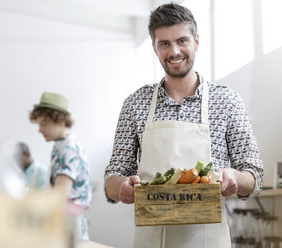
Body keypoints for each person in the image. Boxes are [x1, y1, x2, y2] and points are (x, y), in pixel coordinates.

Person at [104, 3, 263, 248]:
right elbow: (113, 175)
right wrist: (119, 187)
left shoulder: (227, 101)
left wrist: (234, 178)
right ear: (155, 48)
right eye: (164, 43)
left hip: (209, 239)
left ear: (196, 41)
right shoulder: (135, 103)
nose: (174, 51)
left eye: (182, 40)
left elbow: (254, 176)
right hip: (151, 240)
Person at [29, 91, 92, 240]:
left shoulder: (69, 151)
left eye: (44, 124)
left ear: (61, 120)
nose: (40, 130)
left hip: (68, 227)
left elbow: (59, 196)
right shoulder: (61, 147)